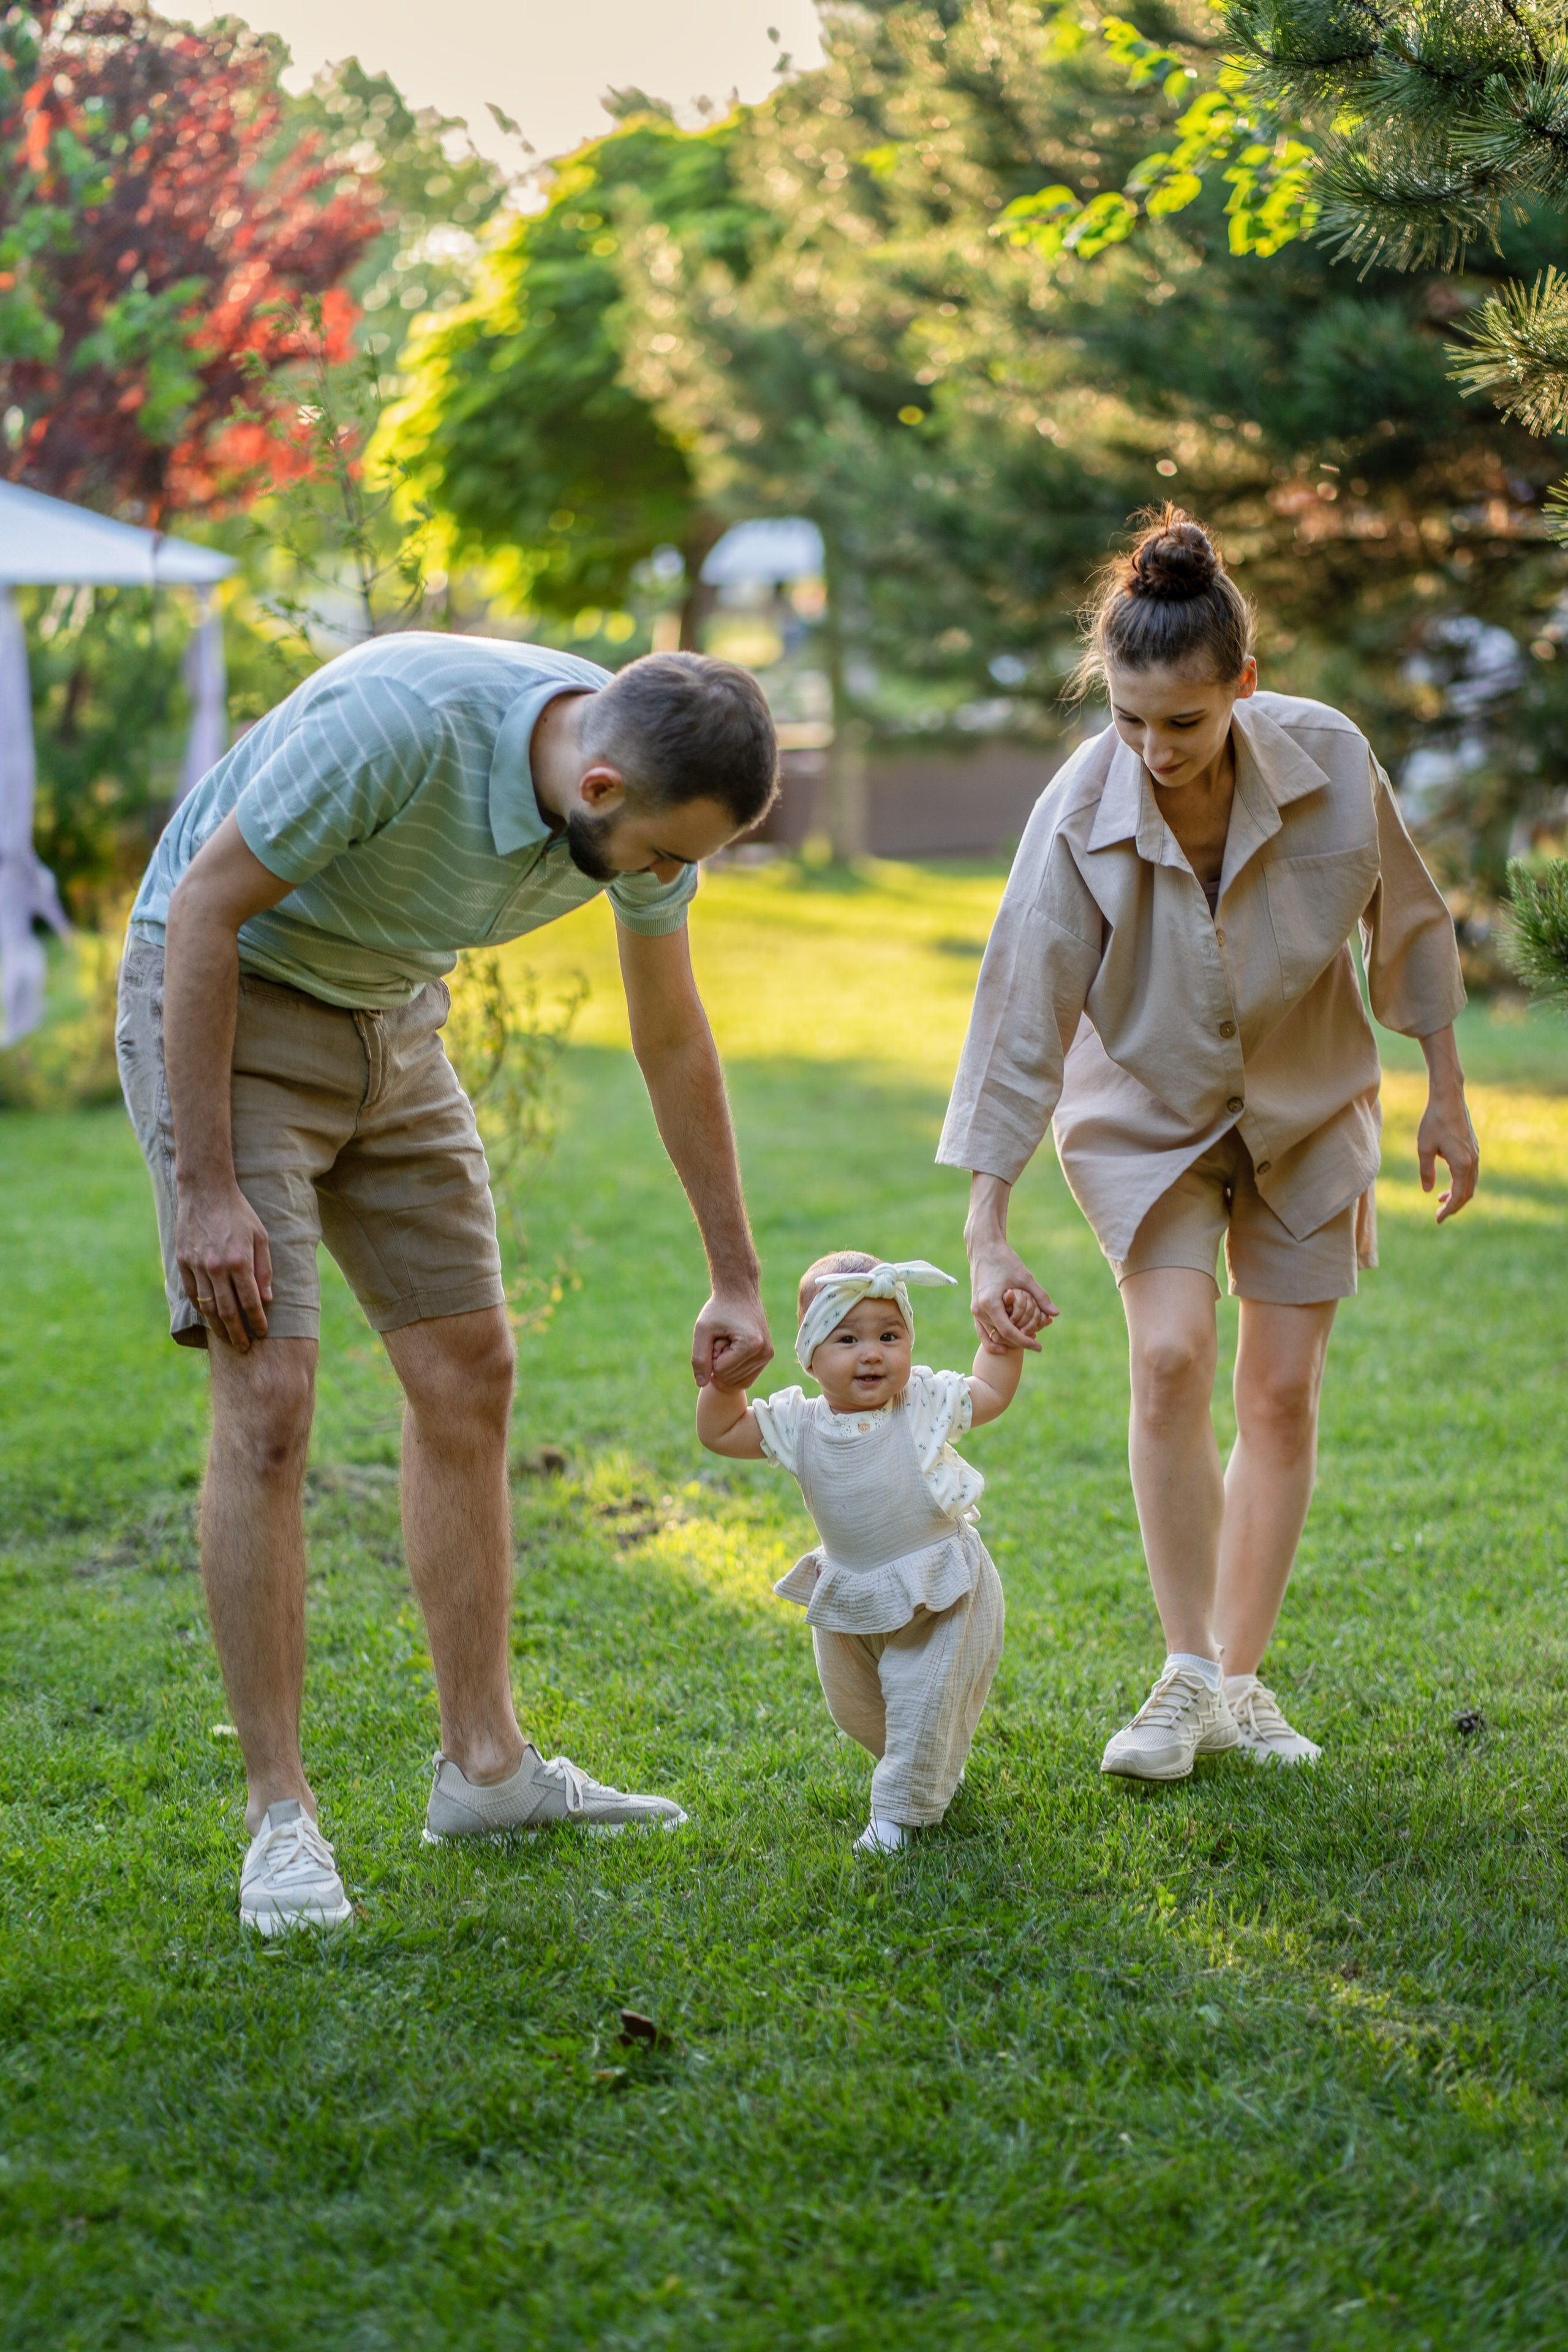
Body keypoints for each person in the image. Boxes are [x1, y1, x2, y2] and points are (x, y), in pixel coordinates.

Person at [116, 635, 779, 1932]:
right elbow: (201, 907)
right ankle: (280, 1820)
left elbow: (668, 1029)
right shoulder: (400, 726)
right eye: (662, 854)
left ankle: (484, 1769)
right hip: (234, 1004)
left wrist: (733, 1273)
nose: (665, 880)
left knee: (468, 1370)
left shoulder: (634, 777)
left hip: (391, 1024)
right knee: (269, 1402)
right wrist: (205, 1190)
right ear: (597, 792)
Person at [938, 508, 1477, 1783]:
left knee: (1278, 1392)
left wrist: (1443, 1090)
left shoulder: (1331, 758)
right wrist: (984, 1220)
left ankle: (1240, 1680)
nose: (1151, 749)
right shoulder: (1077, 807)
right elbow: (1022, 1011)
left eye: (1179, 722)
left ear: (1242, 683)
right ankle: (1182, 1675)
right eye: (1127, 719)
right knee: (1172, 1357)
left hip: (1305, 1108)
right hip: (1145, 1115)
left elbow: (1406, 925)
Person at [696, 1252, 1031, 1852]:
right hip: (852, 1593)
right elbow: (721, 1433)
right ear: (808, 1353)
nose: (872, 1352)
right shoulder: (797, 1425)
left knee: (922, 1692)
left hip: (942, 1590)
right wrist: (727, 1381)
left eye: (889, 1335)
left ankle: (895, 1816)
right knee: (855, 1707)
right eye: (847, 1337)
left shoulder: (922, 1403)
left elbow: (989, 1393)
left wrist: (1000, 1340)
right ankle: (924, 1764)